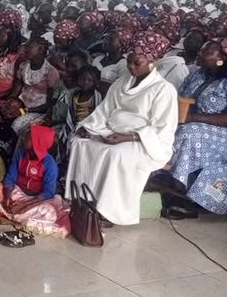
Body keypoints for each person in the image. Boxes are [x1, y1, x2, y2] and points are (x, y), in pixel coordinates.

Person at [66, 30, 179, 225]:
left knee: (115, 155)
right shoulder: (122, 81)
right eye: (129, 62)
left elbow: (162, 128)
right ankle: (82, 199)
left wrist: (129, 137)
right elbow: (105, 110)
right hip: (112, 130)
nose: (131, 67)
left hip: (143, 141)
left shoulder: (163, 90)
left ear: (152, 62)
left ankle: (108, 210)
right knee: (80, 143)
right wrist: (89, 127)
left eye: (137, 63)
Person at [163, 39, 227, 217]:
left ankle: (180, 189)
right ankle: (162, 177)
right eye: (201, 50)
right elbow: (179, 96)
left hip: (219, 131)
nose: (200, 54)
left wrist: (194, 118)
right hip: (190, 122)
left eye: (207, 52)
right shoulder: (196, 74)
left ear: (222, 58)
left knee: (189, 132)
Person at [0, 124, 70, 237]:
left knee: (48, 210)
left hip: (37, 199)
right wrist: (7, 197)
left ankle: (16, 214)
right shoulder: (20, 154)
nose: (23, 139)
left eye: (28, 137)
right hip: (17, 193)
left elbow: (48, 191)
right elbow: (10, 178)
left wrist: (29, 204)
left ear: (37, 143)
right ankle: (19, 215)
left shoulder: (50, 164)